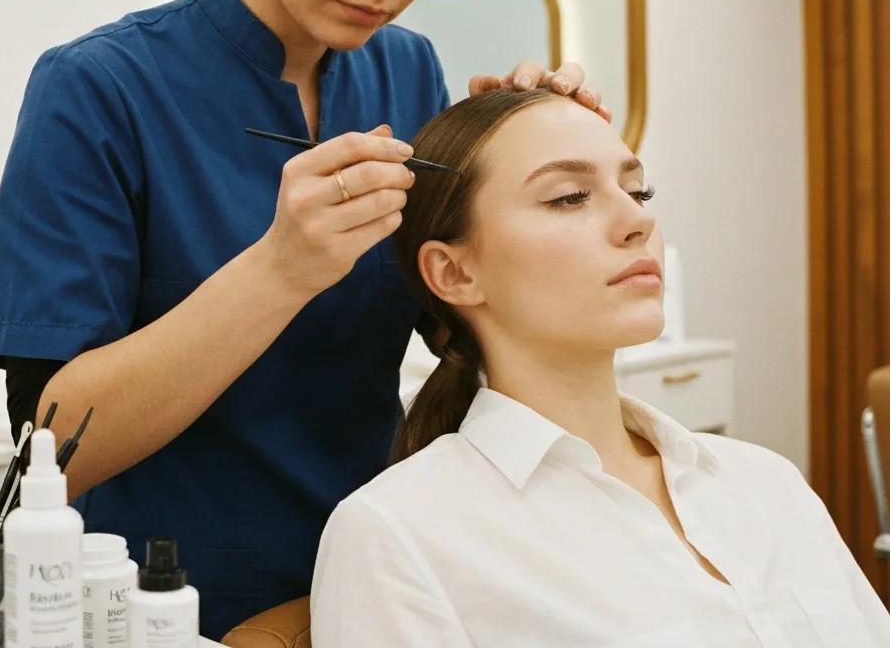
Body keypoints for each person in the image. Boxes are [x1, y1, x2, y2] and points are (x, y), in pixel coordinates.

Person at [0, 0, 603, 640]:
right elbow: (53, 445)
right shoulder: (98, 89)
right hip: (170, 605)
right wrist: (279, 269)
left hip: (375, 582)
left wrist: (537, 171)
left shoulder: (406, 72)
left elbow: (458, 326)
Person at [311, 87, 890, 647]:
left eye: (639, 192)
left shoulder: (766, 482)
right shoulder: (398, 536)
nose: (637, 223)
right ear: (455, 273)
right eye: (568, 197)